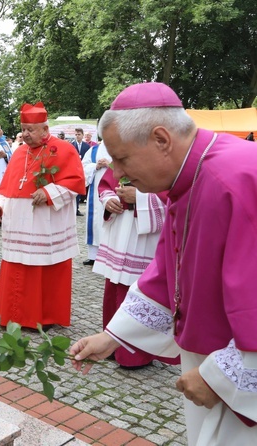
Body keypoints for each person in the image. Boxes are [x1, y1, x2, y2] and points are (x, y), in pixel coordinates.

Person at [70, 82, 257, 445]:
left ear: (161, 139)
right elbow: (167, 274)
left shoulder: (238, 179)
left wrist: (221, 378)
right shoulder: (185, 180)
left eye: (122, 158)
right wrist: (113, 337)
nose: (119, 174)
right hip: (207, 364)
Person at [0, 102, 85, 329]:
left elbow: (76, 182)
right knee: (15, 266)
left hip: (45, 224)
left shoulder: (63, 149)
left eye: (30, 130)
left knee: (43, 268)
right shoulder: (19, 152)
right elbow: (7, 186)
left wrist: (49, 192)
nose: (25, 134)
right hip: (18, 223)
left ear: (45, 129)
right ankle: (12, 314)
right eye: (23, 129)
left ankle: (43, 316)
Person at [92, 167, 175, 369]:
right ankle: (110, 345)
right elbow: (106, 183)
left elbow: (175, 197)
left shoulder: (162, 156)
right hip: (121, 227)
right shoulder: (123, 148)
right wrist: (109, 199)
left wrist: (139, 197)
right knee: (114, 285)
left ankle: (135, 355)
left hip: (145, 235)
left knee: (141, 289)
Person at [81, 141, 111, 265]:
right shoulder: (94, 150)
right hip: (95, 191)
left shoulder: (121, 145)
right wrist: (95, 166)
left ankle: (109, 255)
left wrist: (110, 165)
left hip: (113, 189)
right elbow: (83, 166)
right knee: (95, 222)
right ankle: (93, 256)